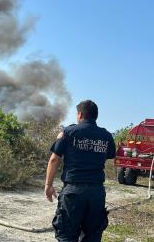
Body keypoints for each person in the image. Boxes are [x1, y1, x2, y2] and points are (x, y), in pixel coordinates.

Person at [44, 100, 116, 242]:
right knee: (92, 235)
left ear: (80, 114)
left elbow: (54, 160)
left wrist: (48, 185)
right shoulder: (107, 136)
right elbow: (110, 155)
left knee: (67, 235)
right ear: (96, 116)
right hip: (96, 193)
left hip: (73, 192)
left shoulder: (68, 132)